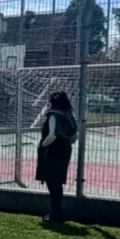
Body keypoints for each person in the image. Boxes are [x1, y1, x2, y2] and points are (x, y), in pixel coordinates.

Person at [35, 91, 78, 223]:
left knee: (52, 183)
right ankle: (57, 212)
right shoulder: (70, 114)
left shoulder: (53, 114)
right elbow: (75, 136)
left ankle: (55, 214)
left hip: (53, 151)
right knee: (57, 183)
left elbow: (52, 135)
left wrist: (42, 145)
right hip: (65, 150)